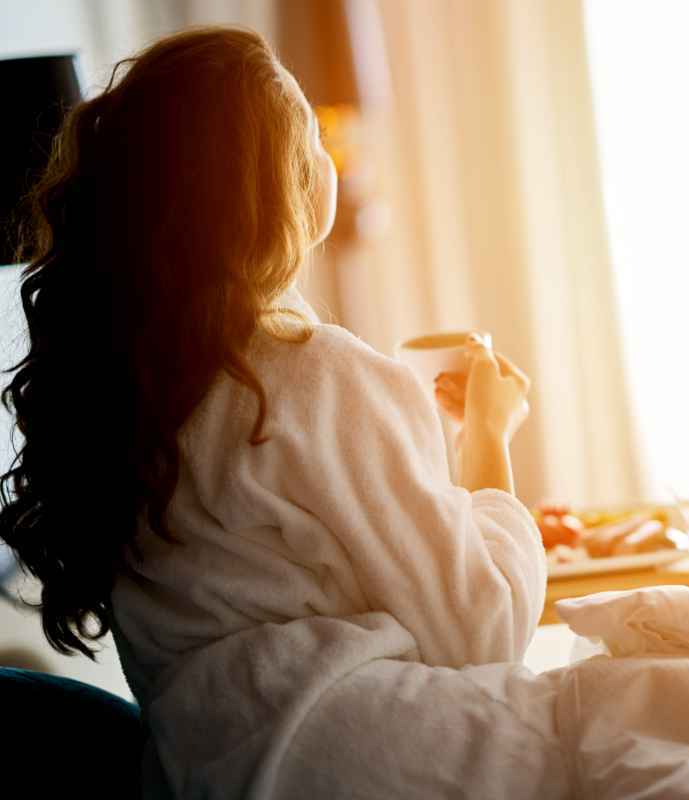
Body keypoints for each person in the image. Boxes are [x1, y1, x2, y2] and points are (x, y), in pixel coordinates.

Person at [0, 27, 551, 796]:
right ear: (272, 184)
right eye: (313, 138)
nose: (330, 159)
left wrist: (416, 450)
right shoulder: (321, 375)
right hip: (371, 762)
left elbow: (277, 566)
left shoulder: (122, 398)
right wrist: (491, 437)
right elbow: (485, 635)